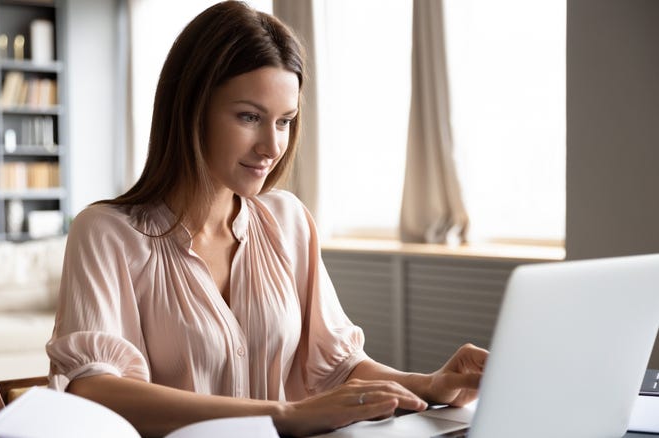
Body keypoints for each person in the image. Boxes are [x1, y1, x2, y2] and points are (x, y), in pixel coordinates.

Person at [46, 2, 488, 437]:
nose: (272, 146)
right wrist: (285, 414)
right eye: (250, 117)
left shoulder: (288, 220)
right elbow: (97, 391)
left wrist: (430, 385)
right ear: (190, 108)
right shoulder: (106, 233)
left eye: (285, 121)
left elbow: (338, 367)